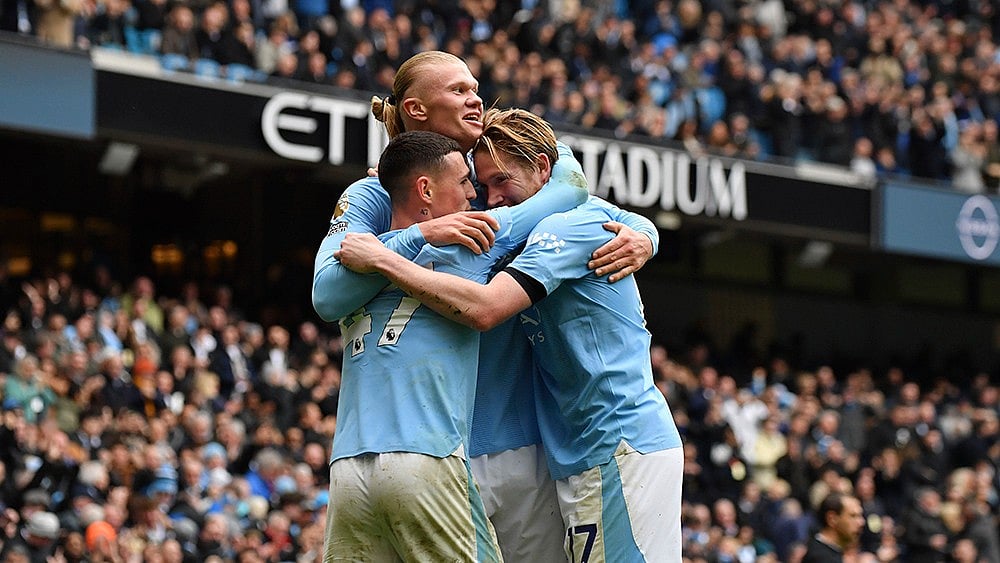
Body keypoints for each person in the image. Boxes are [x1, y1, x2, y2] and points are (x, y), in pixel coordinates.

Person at [312, 50, 656, 560]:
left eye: (474, 87)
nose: (475, 98)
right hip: (439, 446)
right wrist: (420, 235)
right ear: (416, 109)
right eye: (458, 90)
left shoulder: (500, 170)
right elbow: (327, 293)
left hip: (517, 442)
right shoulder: (377, 193)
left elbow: (582, 198)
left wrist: (645, 235)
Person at [322, 130, 587, 561]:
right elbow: (570, 189)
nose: (473, 194)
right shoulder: (475, 239)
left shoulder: (356, 259)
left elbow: (324, 297)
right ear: (426, 190)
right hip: (426, 459)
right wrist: (546, 140)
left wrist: (406, 240)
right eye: (465, 181)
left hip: (349, 470)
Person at [802, 492, 865, 562]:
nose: (861, 522)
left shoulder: (827, 552)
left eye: (860, 516)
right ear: (832, 519)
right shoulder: (821, 558)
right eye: (853, 516)